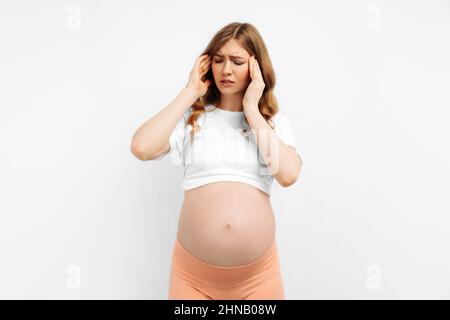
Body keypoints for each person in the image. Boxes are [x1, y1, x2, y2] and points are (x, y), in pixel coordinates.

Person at [130, 22, 303, 300]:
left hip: (258, 280)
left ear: (256, 68)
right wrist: (189, 93)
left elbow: (289, 174)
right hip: (193, 279)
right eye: (219, 60)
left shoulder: (270, 124)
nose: (226, 70)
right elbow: (141, 147)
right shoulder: (193, 118)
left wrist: (251, 109)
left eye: (237, 61)